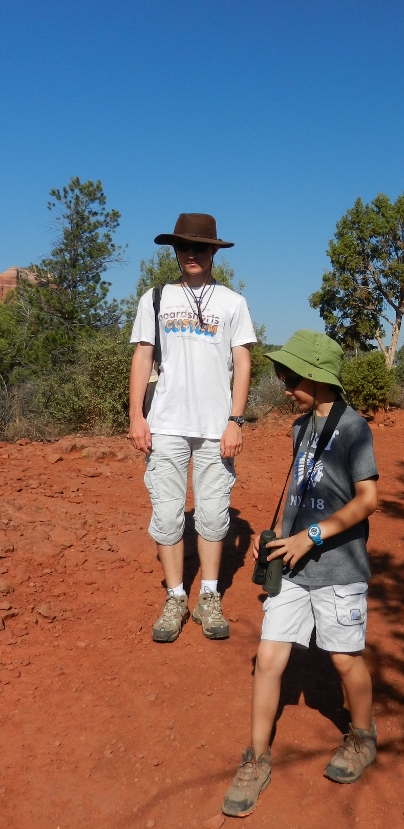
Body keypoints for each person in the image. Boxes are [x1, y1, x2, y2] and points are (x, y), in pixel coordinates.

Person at [222, 329, 379, 818]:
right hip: (290, 564)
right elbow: (297, 491)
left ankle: (363, 736)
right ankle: (256, 757)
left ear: (318, 377)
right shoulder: (299, 428)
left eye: (291, 377)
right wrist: (274, 538)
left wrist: (312, 536)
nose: (284, 384)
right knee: (268, 659)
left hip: (338, 567)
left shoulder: (354, 429)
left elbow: (369, 499)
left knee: (344, 660)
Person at [129, 213, 257, 642]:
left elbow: (242, 363)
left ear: (214, 251)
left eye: (200, 247)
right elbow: (143, 356)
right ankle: (175, 597)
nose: (191, 254)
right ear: (175, 251)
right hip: (165, 423)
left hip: (216, 426)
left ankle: (209, 595)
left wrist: (235, 421)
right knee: (167, 513)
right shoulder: (156, 298)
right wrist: (136, 415)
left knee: (214, 513)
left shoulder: (232, 303)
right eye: (184, 247)